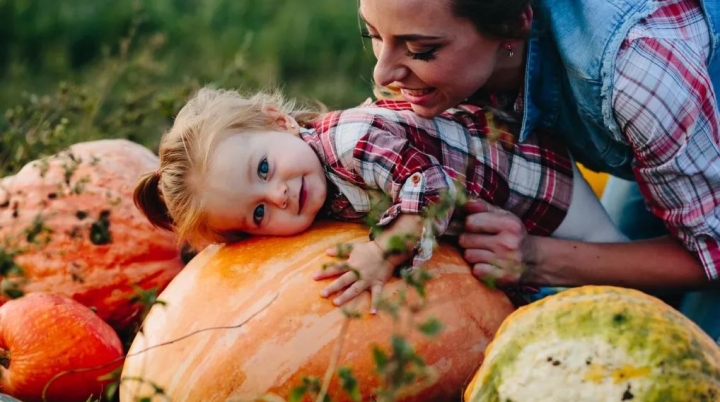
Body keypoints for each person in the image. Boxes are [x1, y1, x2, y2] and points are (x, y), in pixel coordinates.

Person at [358, 0, 720, 337]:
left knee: (690, 354)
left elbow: (713, 253)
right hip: (674, 132)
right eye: (372, 34)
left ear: (514, 27)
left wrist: (534, 258)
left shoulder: (637, 72)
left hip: (673, 100)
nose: (382, 73)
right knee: (623, 300)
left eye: (421, 50)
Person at [133, 87, 626, 312]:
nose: (279, 194)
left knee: (611, 264)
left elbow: (430, 189)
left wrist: (381, 251)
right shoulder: (311, 179)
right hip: (497, 222)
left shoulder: (353, 140)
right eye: (258, 212)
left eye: (263, 168)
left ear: (278, 121)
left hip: (535, 185)